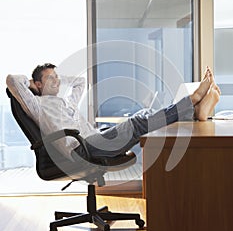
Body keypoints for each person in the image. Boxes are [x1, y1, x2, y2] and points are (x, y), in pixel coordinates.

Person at [6, 63, 220, 161]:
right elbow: (13, 81)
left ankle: (194, 112)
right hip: (80, 150)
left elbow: (80, 82)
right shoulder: (37, 105)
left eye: (57, 77)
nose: (56, 80)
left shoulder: (63, 102)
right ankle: (191, 102)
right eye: (50, 78)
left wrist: (56, 79)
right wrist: (33, 85)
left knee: (144, 112)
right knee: (136, 124)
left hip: (92, 140)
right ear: (37, 84)